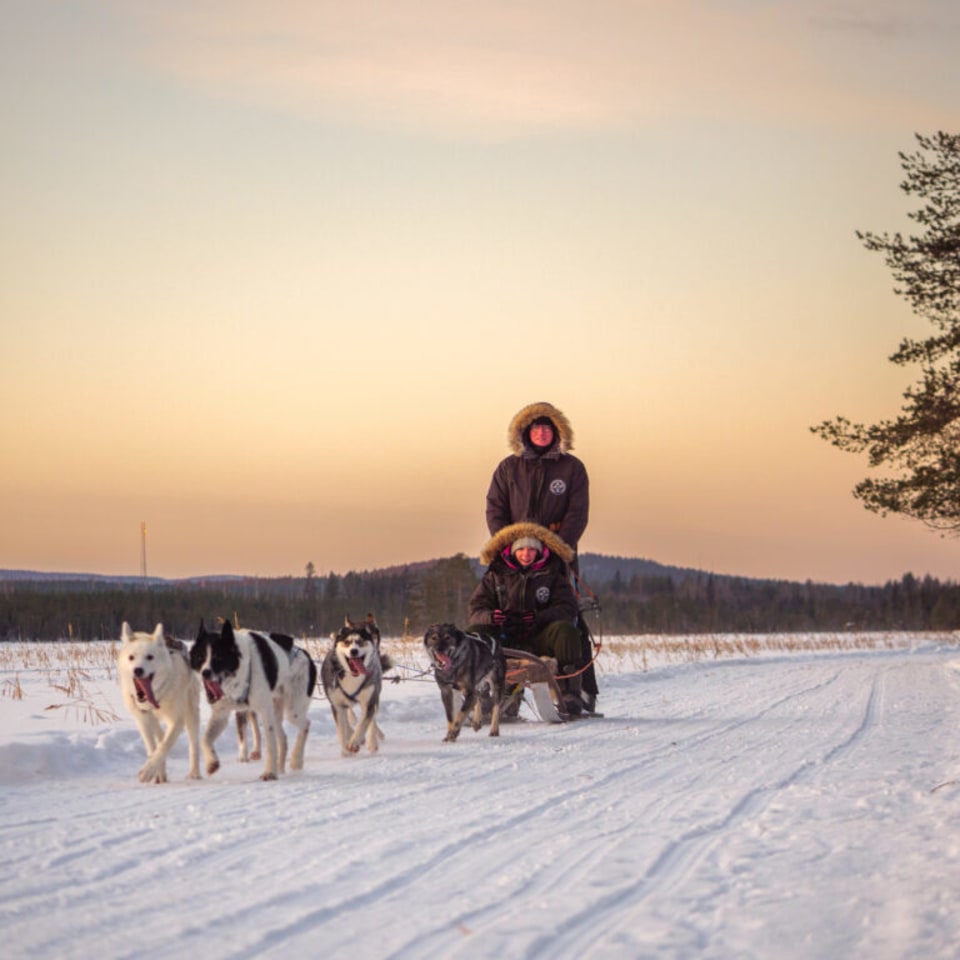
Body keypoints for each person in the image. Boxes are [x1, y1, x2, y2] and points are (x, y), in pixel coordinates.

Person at [467, 521, 587, 715]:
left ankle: (569, 693)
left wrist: (539, 617)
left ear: (539, 552)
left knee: (566, 632)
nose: (526, 554)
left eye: (531, 549)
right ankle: (481, 692)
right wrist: (491, 617)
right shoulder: (495, 575)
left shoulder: (552, 575)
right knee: (475, 633)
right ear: (512, 551)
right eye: (521, 549)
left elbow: (567, 608)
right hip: (504, 639)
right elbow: (475, 610)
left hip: (539, 638)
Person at [485, 402, 589, 566]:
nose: (541, 433)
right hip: (516, 553)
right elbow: (495, 508)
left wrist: (559, 548)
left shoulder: (573, 468)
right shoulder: (508, 467)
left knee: (561, 591)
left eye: (547, 428)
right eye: (536, 428)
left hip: (557, 554)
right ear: (526, 431)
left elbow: (578, 513)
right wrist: (507, 545)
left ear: (557, 431)